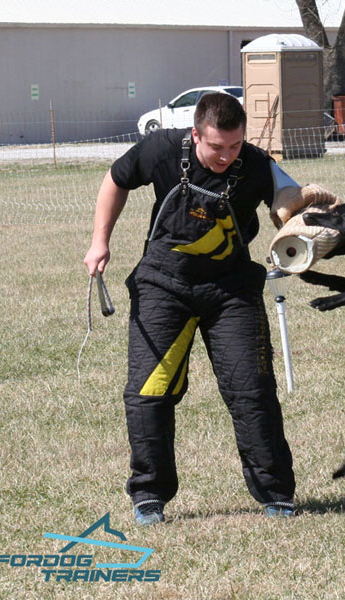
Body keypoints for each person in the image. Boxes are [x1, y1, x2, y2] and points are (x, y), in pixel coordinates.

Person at [84, 93, 326, 525]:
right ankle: (149, 496)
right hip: (163, 285)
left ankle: (276, 494)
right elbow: (115, 179)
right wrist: (100, 240)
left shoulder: (254, 163)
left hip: (230, 291)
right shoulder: (160, 149)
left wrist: (295, 214)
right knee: (147, 394)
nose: (226, 156)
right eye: (217, 147)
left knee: (252, 393)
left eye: (234, 146)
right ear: (196, 133)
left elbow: (289, 193)